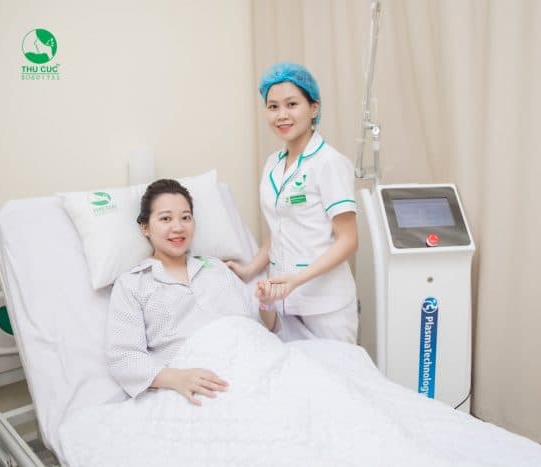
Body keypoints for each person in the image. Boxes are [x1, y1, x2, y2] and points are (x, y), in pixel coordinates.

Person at [106, 179, 278, 405]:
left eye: (185, 217)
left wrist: (267, 303)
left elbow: (263, 326)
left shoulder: (217, 267)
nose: (178, 227)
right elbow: (125, 358)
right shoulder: (132, 284)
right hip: (201, 384)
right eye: (165, 218)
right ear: (145, 227)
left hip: (256, 363)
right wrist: (177, 378)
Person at [226, 62, 358, 344]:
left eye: (292, 104)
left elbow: (348, 240)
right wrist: (249, 270)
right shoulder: (273, 164)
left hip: (326, 305)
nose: (281, 115)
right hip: (283, 302)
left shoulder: (329, 163)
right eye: (273, 107)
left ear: (314, 108)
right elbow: (280, 228)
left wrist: (296, 280)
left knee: (335, 372)